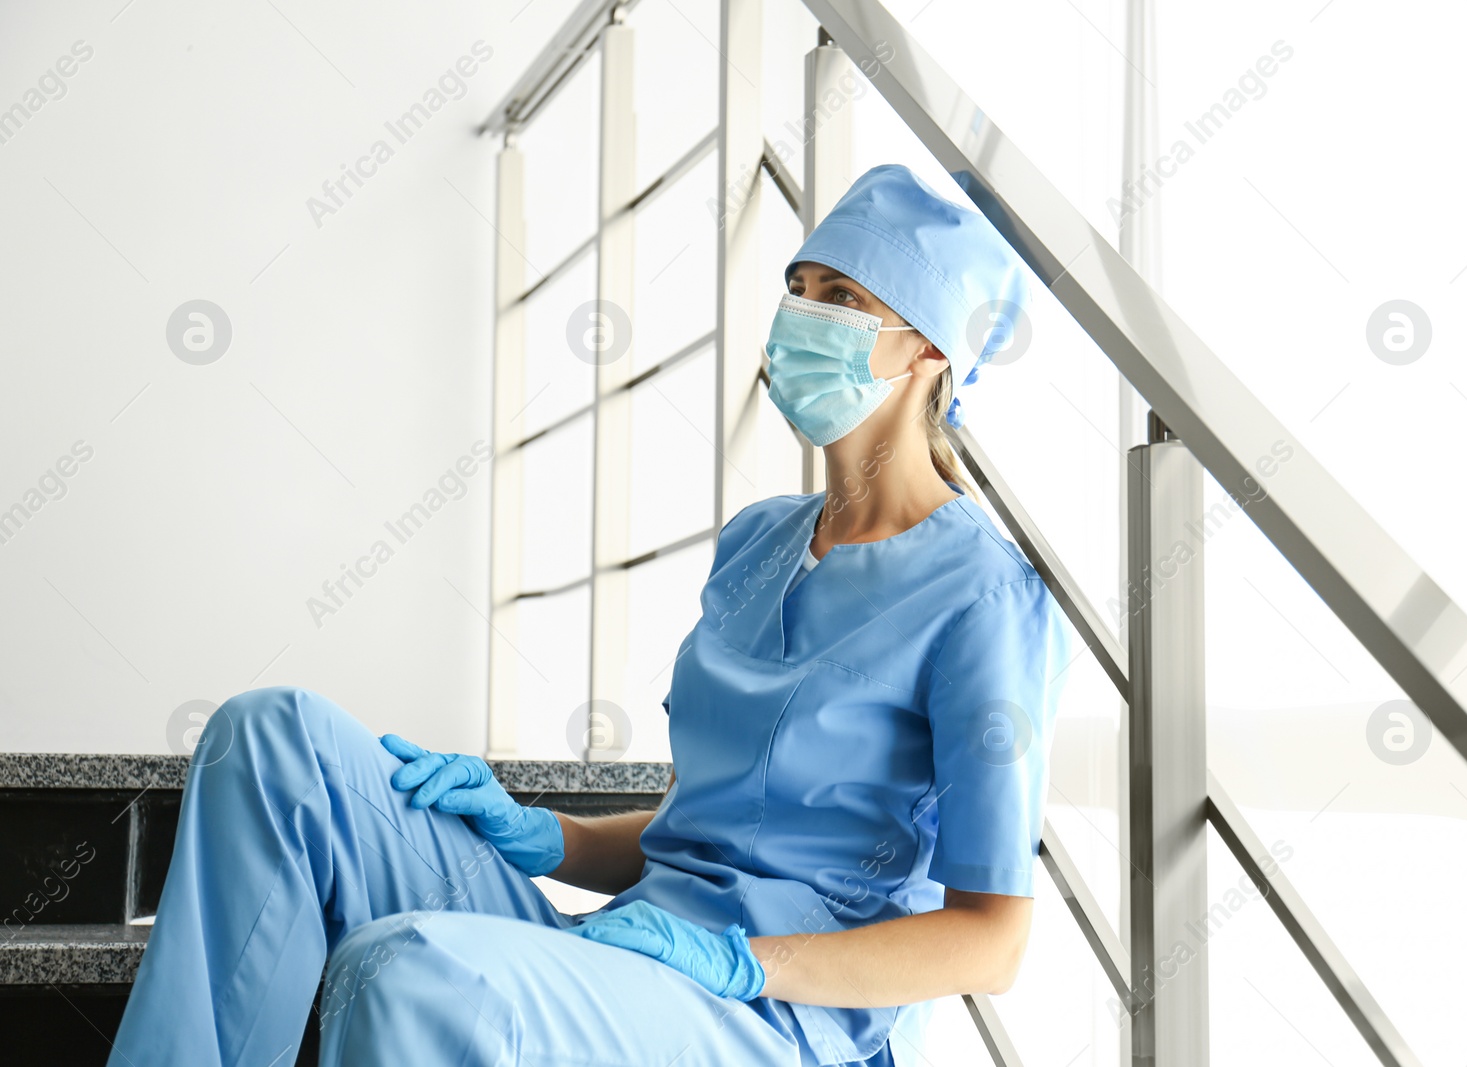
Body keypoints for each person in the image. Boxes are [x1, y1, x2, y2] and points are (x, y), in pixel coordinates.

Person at [106, 163, 1071, 1067]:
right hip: (622, 955)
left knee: (407, 971)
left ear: (930, 347)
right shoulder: (759, 543)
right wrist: (542, 831)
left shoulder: (982, 599)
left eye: (843, 298)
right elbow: (715, 823)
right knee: (274, 739)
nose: (800, 316)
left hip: (767, 1018)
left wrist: (748, 962)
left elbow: (991, 939)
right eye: (800, 286)